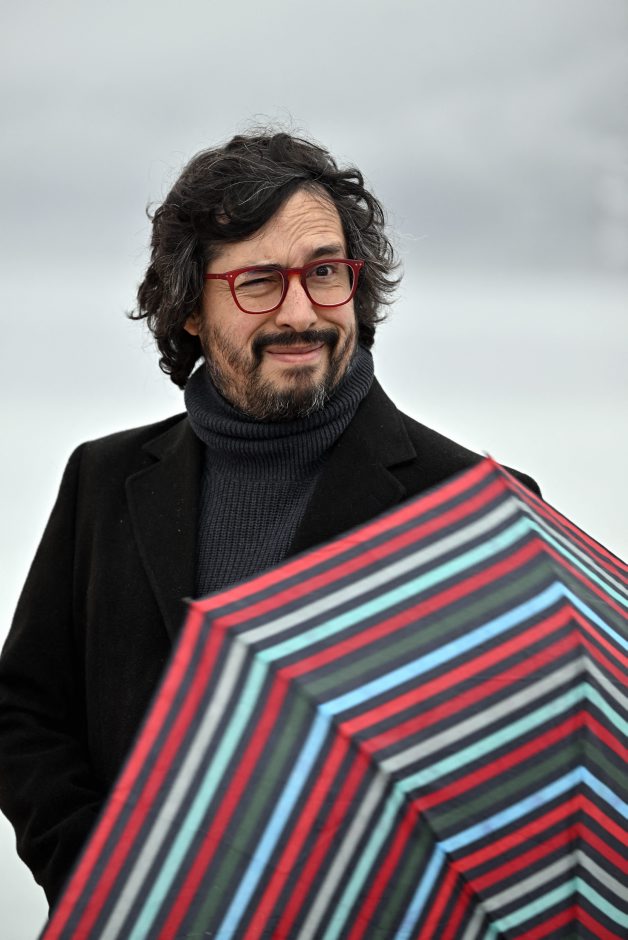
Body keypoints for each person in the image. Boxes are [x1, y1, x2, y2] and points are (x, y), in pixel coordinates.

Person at [0, 130, 539, 908]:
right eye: (259, 281)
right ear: (190, 307)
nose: (300, 312)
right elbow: (25, 711)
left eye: (324, 273)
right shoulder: (102, 479)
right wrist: (104, 881)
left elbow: (508, 785)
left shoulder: (480, 512)